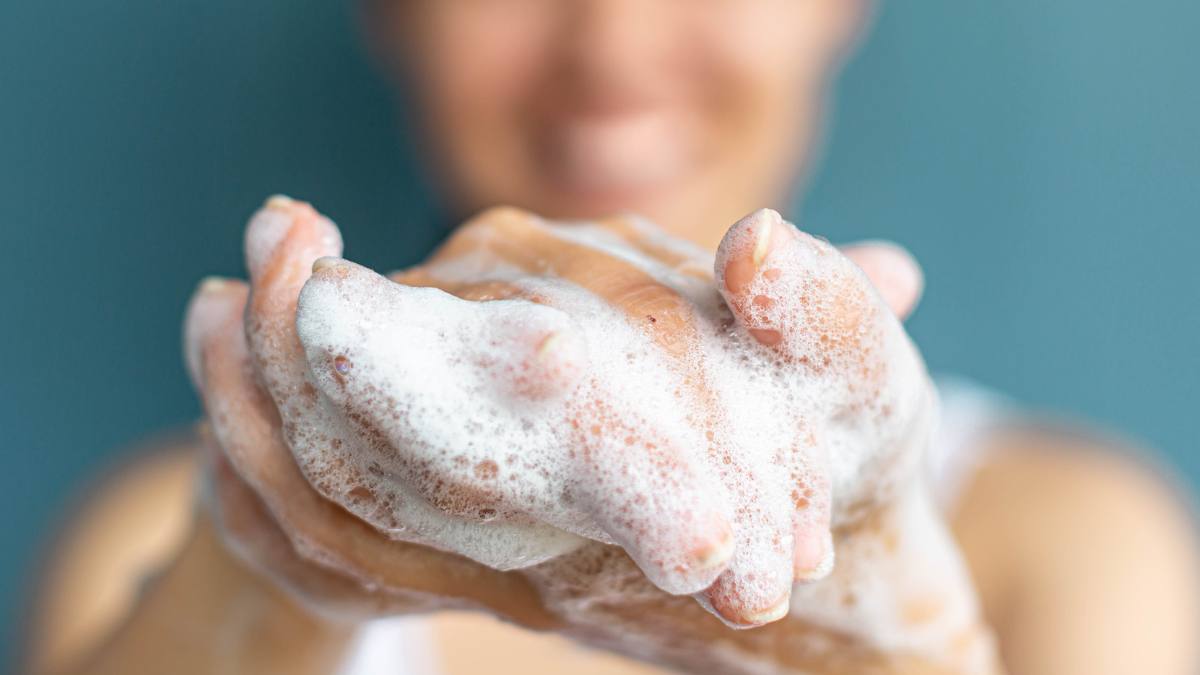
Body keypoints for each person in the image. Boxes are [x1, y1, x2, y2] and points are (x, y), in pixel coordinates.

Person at [24, 2, 1200, 674]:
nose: (613, 47)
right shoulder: (185, 544)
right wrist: (269, 568)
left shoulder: (1073, 547)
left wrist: (882, 641)